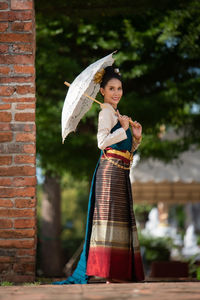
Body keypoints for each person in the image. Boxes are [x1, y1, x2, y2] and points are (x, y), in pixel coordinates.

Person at [53, 66, 144, 285]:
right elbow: (101, 143)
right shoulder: (105, 112)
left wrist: (136, 138)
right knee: (109, 220)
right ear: (102, 91)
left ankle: (118, 272)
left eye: (119, 88)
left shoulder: (115, 113)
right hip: (109, 172)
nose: (116, 93)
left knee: (120, 220)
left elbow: (125, 151)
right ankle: (108, 272)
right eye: (111, 88)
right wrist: (122, 128)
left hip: (120, 172)